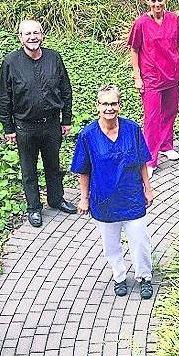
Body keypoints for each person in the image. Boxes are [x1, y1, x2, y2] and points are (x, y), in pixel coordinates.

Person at [71, 85, 156, 298]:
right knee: (111, 245)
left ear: (120, 105)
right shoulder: (88, 135)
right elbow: (84, 170)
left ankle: (144, 276)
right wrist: (84, 198)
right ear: (97, 106)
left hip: (131, 196)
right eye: (105, 104)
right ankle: (119, 277)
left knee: (140, 241)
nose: (109, 108)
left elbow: (141, 162)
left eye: (113, 103)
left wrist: (148, 188)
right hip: (104, 200)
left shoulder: (132, 129)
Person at [0, 19, 77, 228]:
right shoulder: (10, 62)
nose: (33, 37)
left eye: (36, 33)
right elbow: (4, 97)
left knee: (53, 165)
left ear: (42, 35)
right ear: (20, 37)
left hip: (51, 124)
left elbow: (65, 90)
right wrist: (8, 127)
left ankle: (56, 199)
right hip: (25, 126)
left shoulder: (54, 58)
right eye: (28, 34)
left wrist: (66, 119)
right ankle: (34, 208)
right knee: (29, 170)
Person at [128, 0, 179, 178]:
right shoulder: (141, 24)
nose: (157, 4)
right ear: (147, 2)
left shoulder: (174, 19)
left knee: (171, 111)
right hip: (151, 77)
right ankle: (150, 160)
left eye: (160, 0)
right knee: (152, 119)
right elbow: (134, 50)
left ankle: (166, 145)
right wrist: (137, 76)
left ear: (165, 0)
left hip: (171, 74)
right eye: (153, 1)